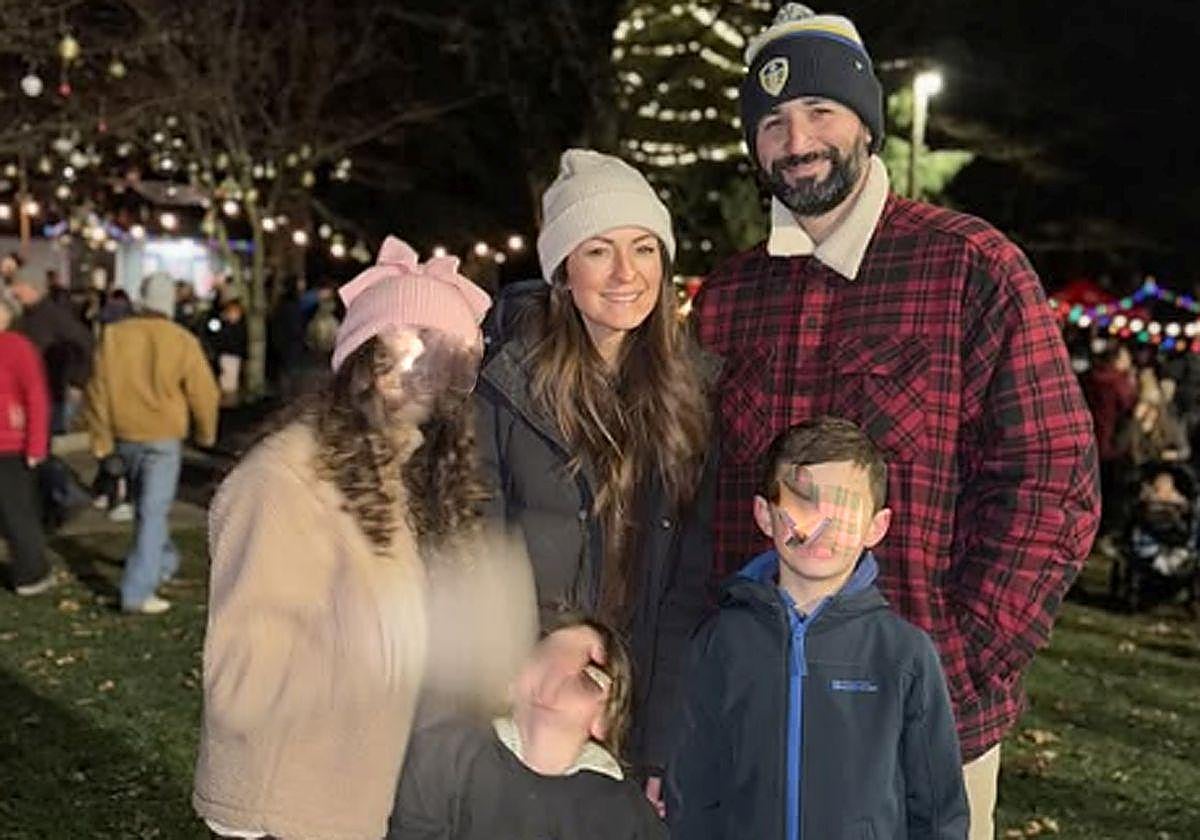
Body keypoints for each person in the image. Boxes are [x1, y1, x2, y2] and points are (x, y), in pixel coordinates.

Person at [692, 6, 1099, 836]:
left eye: (820, 110)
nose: (796, 140)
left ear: (867, 122)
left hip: (922, 725)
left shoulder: (969, 266)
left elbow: (1052, 479)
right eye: (771, 122)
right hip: (760, 712)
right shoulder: (730, 296)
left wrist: (962, 658)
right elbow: (705, 498)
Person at [193, 237, 535, 840]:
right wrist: (392, 635)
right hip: (281, 808)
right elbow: (240, 685)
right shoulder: (285, 480)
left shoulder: (397, 469)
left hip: (347, 797)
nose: (425, 380)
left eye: (447, 362)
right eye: (403, 355)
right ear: (361, 360)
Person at [474, 148, 715, 805]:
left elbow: (688, 584)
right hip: (528, 704)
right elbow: (478, 547)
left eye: (644, 249)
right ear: (563, 271)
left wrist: (661, 739)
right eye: (598, 251)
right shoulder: (507, 390)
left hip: (630, 710)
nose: (626, 274)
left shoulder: (691, 397)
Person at [667, 418, 967, 840]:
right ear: (765, 515)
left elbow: (938, 812)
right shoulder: (720, 642)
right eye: (801, 505)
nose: (818, 528)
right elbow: (692, 792)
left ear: (876, 526)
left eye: (841, 510)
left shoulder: (904, 654)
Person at [389, 615, 666, 840]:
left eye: (587, 679)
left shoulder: (627, 816)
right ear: (512, 684)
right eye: (547, 657)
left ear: (603, 722)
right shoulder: (447, 757)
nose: (555, 682)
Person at [83, 273, 220, 614]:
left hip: (125, 434)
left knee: (148, 510)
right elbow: (204, 393)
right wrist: (206, 434)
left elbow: (96, 391)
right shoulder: (181, 340)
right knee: (152, 511)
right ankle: (137, 591)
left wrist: (102, 441)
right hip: (163, 436)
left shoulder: (113, 336)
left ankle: (163, 561)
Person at [0, 289, 53, 596]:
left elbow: (35, 395)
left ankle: (30, 572)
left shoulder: (18, 347)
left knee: (16, 511)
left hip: (11, 444)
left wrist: (35, 445)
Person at [1081, 343, 1138, 552]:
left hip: (1089, 442)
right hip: (1111, 446)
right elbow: (1128, 407)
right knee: (1109, 493)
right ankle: (1101, 535)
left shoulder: (1088, 378)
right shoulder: (1117, 382)